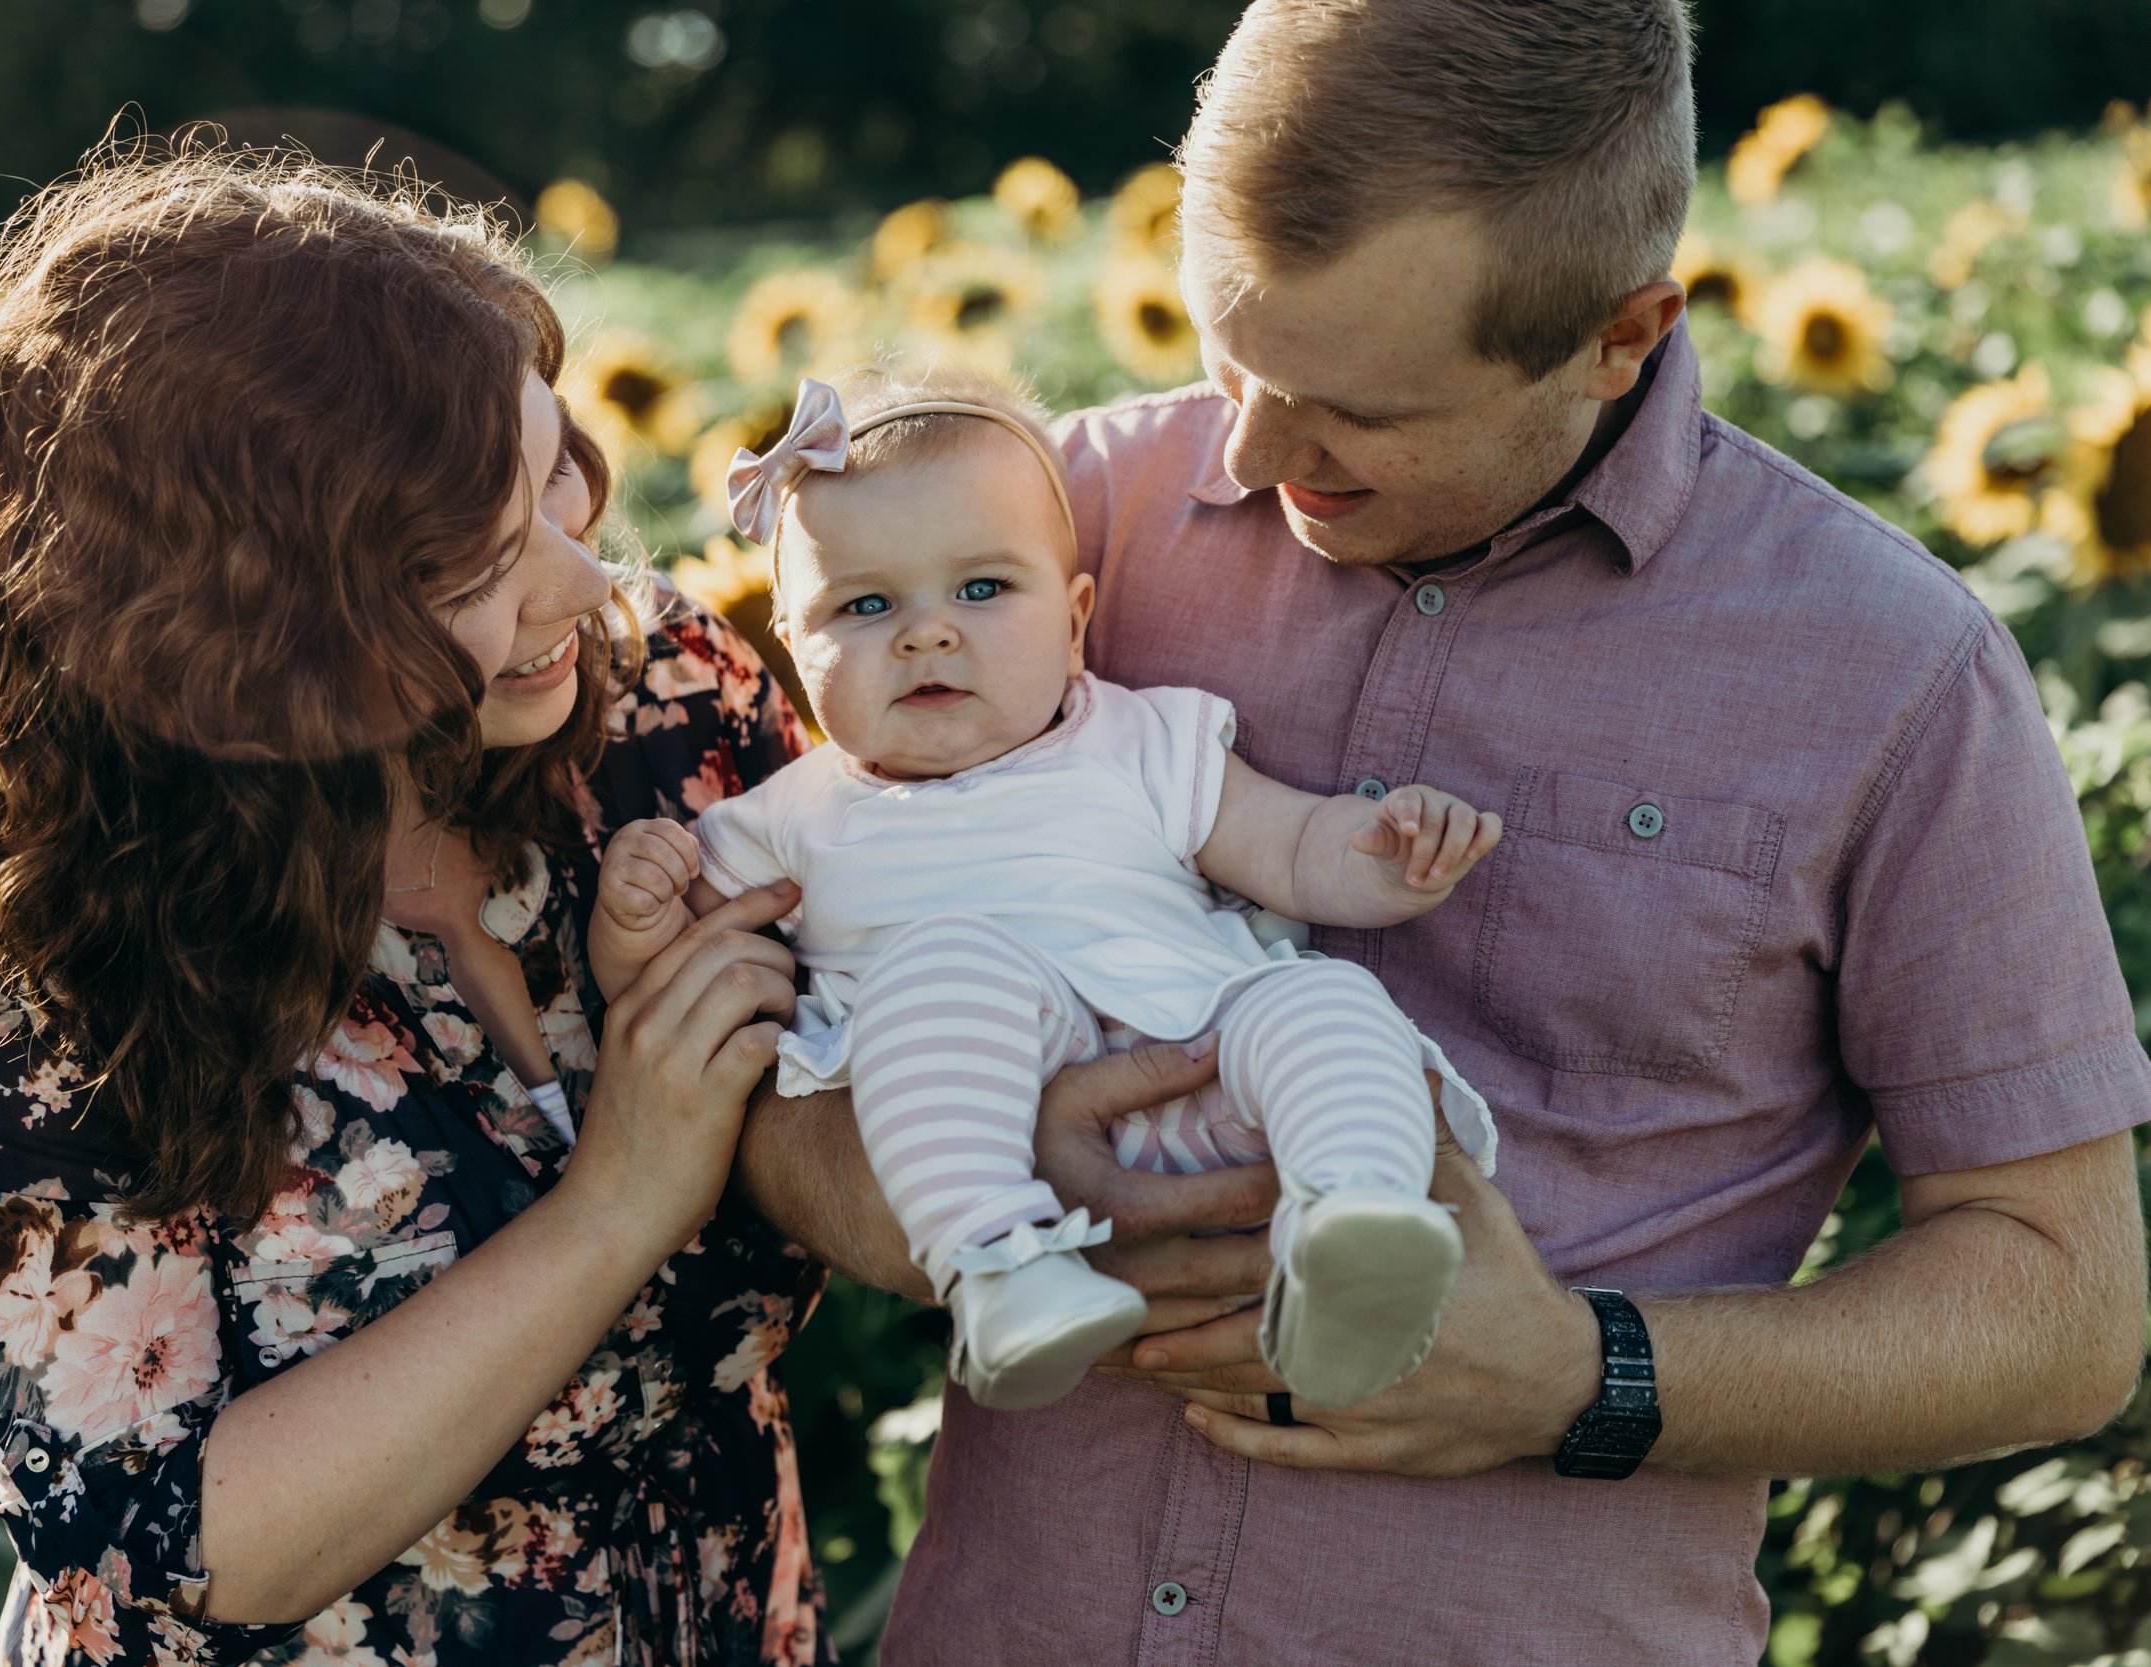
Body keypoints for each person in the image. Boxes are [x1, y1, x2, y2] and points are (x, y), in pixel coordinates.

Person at [733, 2, 2151, 1661]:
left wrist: (1584, 1373)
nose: (1250, 451)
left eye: (1358, 412)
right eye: (1226, 353)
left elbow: (2062, 1307)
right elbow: (743, 1068)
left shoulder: (1889, 672)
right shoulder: (1033, 530)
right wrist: (944, 1183)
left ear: (1621, 336)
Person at [0, 142, 825, 1667]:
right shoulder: (49, 950)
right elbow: (169, 1542)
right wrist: (622, 1194)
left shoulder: (668, 708)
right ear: (249, 630)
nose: (583, 581)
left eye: (553, 469)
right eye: (481, 561)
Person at [591, 367, 1502, 1413]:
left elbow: (1292, 847)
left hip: (1208, 1072)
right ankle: (1003, 1268)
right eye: (866, 603)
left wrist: (1389, 852)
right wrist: (637, 916)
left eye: (982, 589)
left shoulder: (1138, 736)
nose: (927, 632)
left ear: (1074, 621)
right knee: (946, 961)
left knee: (1323, 1001)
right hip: (988, 1122)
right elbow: (676, 981)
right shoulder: (790, 815)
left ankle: (1352, 1225)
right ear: (794, 650)